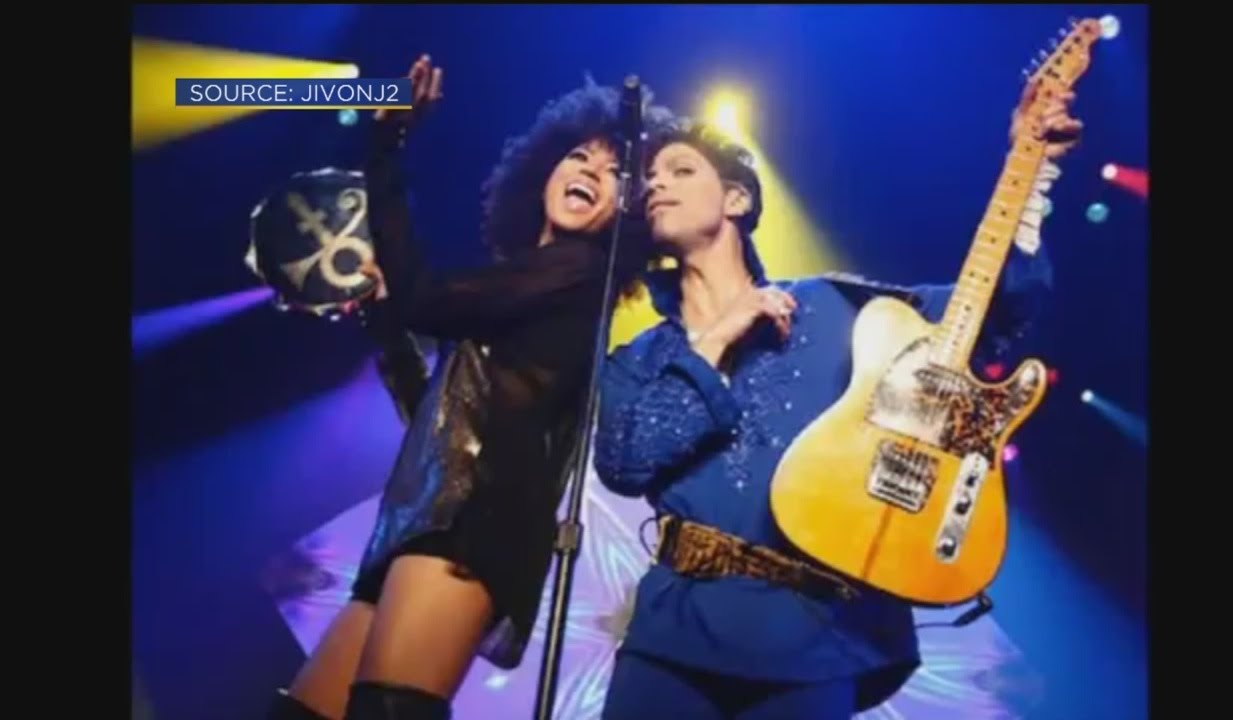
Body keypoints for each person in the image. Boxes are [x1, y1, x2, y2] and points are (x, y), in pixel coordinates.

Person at [591, 86, 1081, 719]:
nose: (656, 183)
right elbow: (625, 463)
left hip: (820, 638)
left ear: (737, 199)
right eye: (650, 178)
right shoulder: (639, 359)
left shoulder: (839, 307)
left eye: (681, 170)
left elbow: (993, 309)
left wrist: (1030, 169)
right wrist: (716, 338)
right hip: (672, 636)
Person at [269, 55, 671, 720]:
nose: (590, 172)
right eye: (579, 156)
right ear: (542, 173)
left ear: (627, 212)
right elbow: (431, 415)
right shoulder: (522, 284)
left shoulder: (575, 273)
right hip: (422, 519)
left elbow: (425, 298)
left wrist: (388, 144)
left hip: (469, 529)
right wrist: (384, 318)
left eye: (613, 172)